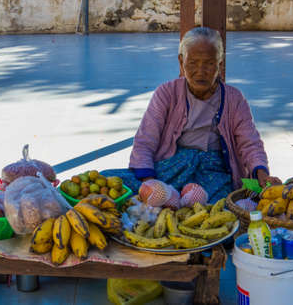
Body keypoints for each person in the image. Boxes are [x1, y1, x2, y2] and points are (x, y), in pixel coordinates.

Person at [102, 27, 281, 202]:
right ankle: (171, 197)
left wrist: (261, 172)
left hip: (213, 172)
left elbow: (250, 142)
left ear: (219, 64)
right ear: (181, 62)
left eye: (209, 64)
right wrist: (149, 182)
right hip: (173, 166)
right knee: (110, 181)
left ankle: (179, 199)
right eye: (193, 63)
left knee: (219, 205)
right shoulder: (167, 93)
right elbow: (145, 140)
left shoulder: (234, 98)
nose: (200, 71)